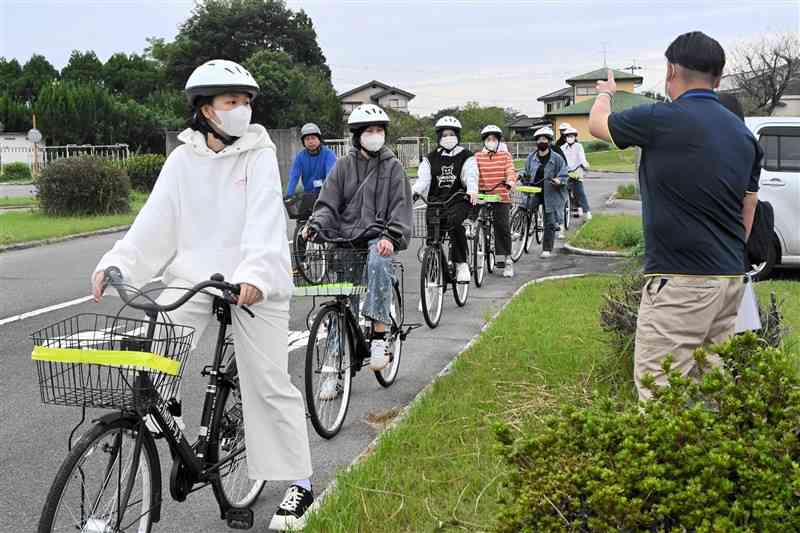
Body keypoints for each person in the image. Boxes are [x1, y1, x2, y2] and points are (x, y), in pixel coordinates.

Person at [91, 59, 315, 529]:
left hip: (255, 284)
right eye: (232, 102)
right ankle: (165, 407)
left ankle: (299, 483)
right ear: (205, 110)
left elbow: (265, 222)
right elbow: (154, 224)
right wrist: (118, 262)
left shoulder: (257, 154)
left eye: (247, 102)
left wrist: (254, 274)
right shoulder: (182, 160)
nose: (243, 110)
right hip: (196, 277)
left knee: (268, 383)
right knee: (162, 344)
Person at [588, 31, 763, 401]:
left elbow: (598, 125)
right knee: (712, 389)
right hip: (729, 279)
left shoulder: (661, 118)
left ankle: (672, 460)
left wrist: (605, 92)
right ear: (718, 77)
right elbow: (748, 209)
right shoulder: (744, 136)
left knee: (659, 392)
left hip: (681, 280)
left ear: (671, 71)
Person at [306, 103, 412, 373]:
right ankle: (334, 363)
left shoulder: (394, 168)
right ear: (357, 135)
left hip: (380, 235)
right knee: (342, 296)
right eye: (369, 130)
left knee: (378, 262)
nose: (375, 135)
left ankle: (379, 335)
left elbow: (401, 207)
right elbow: (327, 204)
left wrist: (391, 235)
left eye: (379, 130)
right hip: (347, 236)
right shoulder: (342, 167)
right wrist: (316, 225)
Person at [413, 115, 478, 283]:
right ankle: (432, 279)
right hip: (436, 201)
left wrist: (471, 190)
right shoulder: (430, 158)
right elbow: (423, 180)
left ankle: (461, 263)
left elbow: (470, 175)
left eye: (451, 134)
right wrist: (413, 193)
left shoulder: (466, 156)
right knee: (432, 239)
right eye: (444, 134)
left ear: (457, 136)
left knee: (455, 225)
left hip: (457, 200)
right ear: (439, 136)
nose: (448, 138)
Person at [519, 127, 568, 258]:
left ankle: (546, 248)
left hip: (550, 193)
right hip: (534, 191)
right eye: (540, 139)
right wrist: (522, 177)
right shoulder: (531, 157)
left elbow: (564, 174)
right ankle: (520, 230)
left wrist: (559, 180)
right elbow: (526, 172)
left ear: (549, 141)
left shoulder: (557, 158)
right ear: (536, 142)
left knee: (550, 222)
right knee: (524, 207)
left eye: (545, 139)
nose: (542, 141)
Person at [474, 124, 517, 277]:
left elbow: (511, 171)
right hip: (484, 195)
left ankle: (507, 260)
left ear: (498, 141)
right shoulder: (478, 157)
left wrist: (509, 182)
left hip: (501, 196)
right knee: (473, 219)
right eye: (488, 139)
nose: (491, 141)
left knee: (502, 227)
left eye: (494, 139)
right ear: (484, 141)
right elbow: (473, 174)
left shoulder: (505, 156)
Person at [286, 122, 337, 200]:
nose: (310, 142)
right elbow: (294, 176)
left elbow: (330, 177)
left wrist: (318, 184)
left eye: (313, 138)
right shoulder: (300, 157)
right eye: (307, 139)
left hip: (326, 194)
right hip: (308, 195)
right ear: (303, 142)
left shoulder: (329, 154)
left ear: (319, 139)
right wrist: (289, 195)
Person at [561, 126, 592, 220]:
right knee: (565, 191)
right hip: (566, 171)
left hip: (577, 171)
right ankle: (571, 210)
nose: (570, 137)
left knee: (579, 191)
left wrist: (586, 166)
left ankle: (587, 212)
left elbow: (582, 158)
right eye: (568, 136)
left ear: (575, 137)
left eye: (572, 136)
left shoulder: (579, 146)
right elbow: (561, 160)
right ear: (565, 137)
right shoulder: (562, 148)